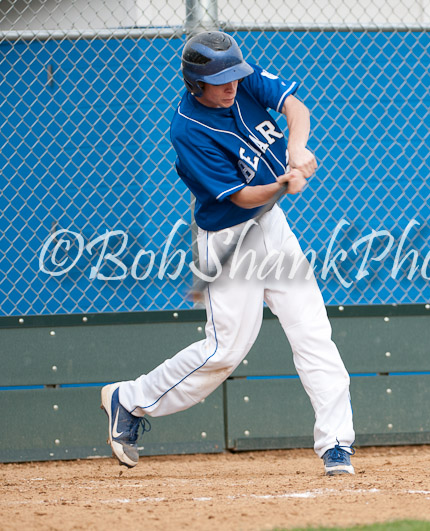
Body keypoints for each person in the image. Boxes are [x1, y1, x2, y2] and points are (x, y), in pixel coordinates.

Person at [100, 31, 355, 476]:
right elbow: (241, 199)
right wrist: (284, 182)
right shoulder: (188, 129)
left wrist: (296, 150)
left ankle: (336, 445)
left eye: (235, 75)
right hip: (229, 239)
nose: (232, 85)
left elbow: (296, 107)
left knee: (312, 329)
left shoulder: (240, 75)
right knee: (225, 350)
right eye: (220, 80)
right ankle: (130, 399)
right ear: (195, 84)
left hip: (272, 225)